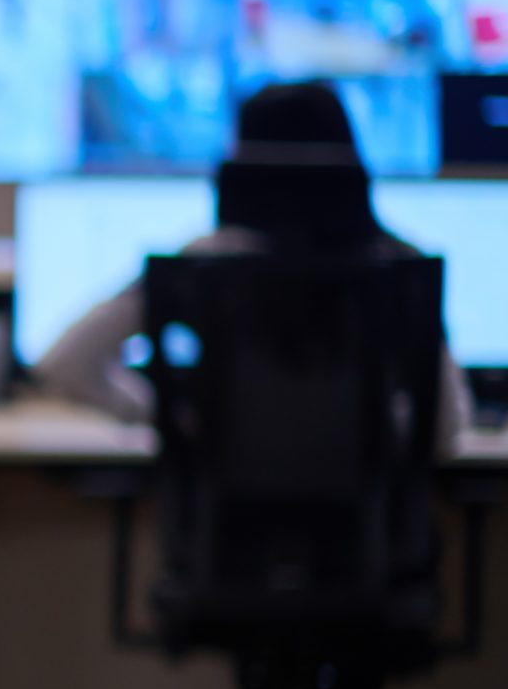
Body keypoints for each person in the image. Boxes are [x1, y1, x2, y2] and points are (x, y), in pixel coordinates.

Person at [36, 80, 472, 447]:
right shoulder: (398, 271)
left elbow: (64, 364)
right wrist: (367, 439)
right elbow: (447, 426)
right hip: (363, 542)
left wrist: (173, 420)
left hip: (224, 539)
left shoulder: (200, 268)